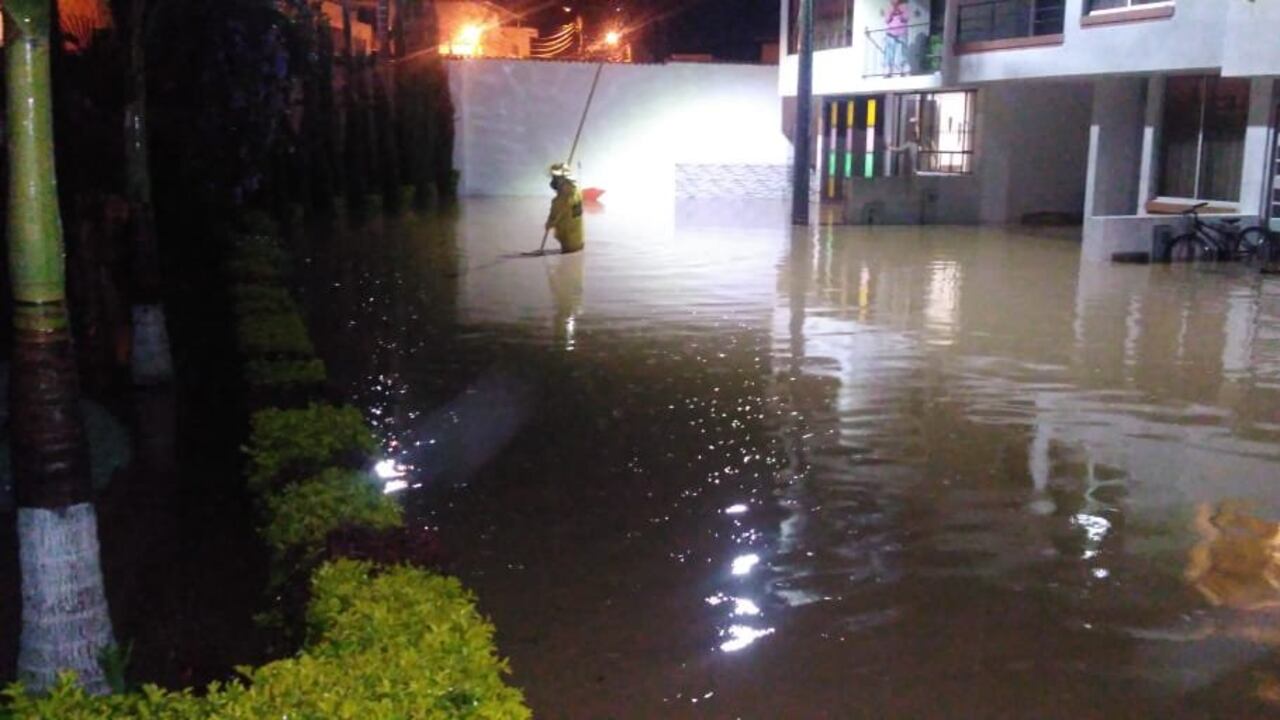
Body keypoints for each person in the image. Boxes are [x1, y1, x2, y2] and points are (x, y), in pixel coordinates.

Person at [545, 163, 585, 254]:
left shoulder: (564, 197)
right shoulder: (576, 190)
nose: (553, 180)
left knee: (567, 262)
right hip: (578, 237)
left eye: (555, 177)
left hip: (569, 239)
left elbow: (558, 213)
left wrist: (550, 223)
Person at [883, 0, 909, 76]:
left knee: (902, 51)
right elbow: (886, 20)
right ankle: (888, 70)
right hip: (890, 32)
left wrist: (901, 12)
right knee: (889, 52)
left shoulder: (904, 7)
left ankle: (902, 69)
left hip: (901, 32)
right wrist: (891, 12)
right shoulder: (889, 8)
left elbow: (906, 18)